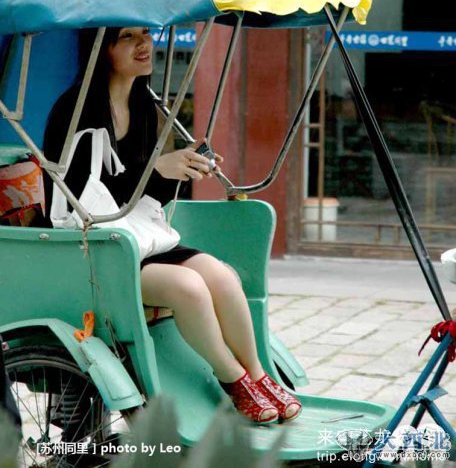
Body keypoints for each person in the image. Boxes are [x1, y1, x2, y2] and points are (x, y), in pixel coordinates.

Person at [43, 26, 301, 425]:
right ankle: (233, 380)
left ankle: (258, 374)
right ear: (101, 48)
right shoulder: (75, 109)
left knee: (221, 276)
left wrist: (183, 168)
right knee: (189, 287)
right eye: (128, 37)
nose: (144, 44)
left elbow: (149, 196)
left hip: (142, 238)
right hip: (94, 247)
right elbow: (79, 197)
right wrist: (156, 169)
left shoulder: (144, 103)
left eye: (146, 34)